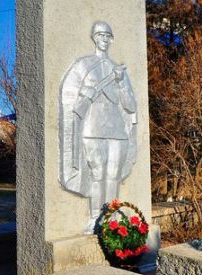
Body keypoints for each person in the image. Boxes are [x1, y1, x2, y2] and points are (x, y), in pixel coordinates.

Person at [59, 21, 137, 232]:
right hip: (92, 128)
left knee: (114, 174)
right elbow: (70, 96)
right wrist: (88, 92)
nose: (104, 39)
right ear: (94, 38)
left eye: (107, 36)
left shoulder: (118, 70)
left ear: (111, 39)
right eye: (100, 35)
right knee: (98, 173)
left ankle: (111, 216)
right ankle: (95, 218)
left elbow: (130, 105)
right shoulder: (84, 65)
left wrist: (121, 82)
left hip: (117, 130)